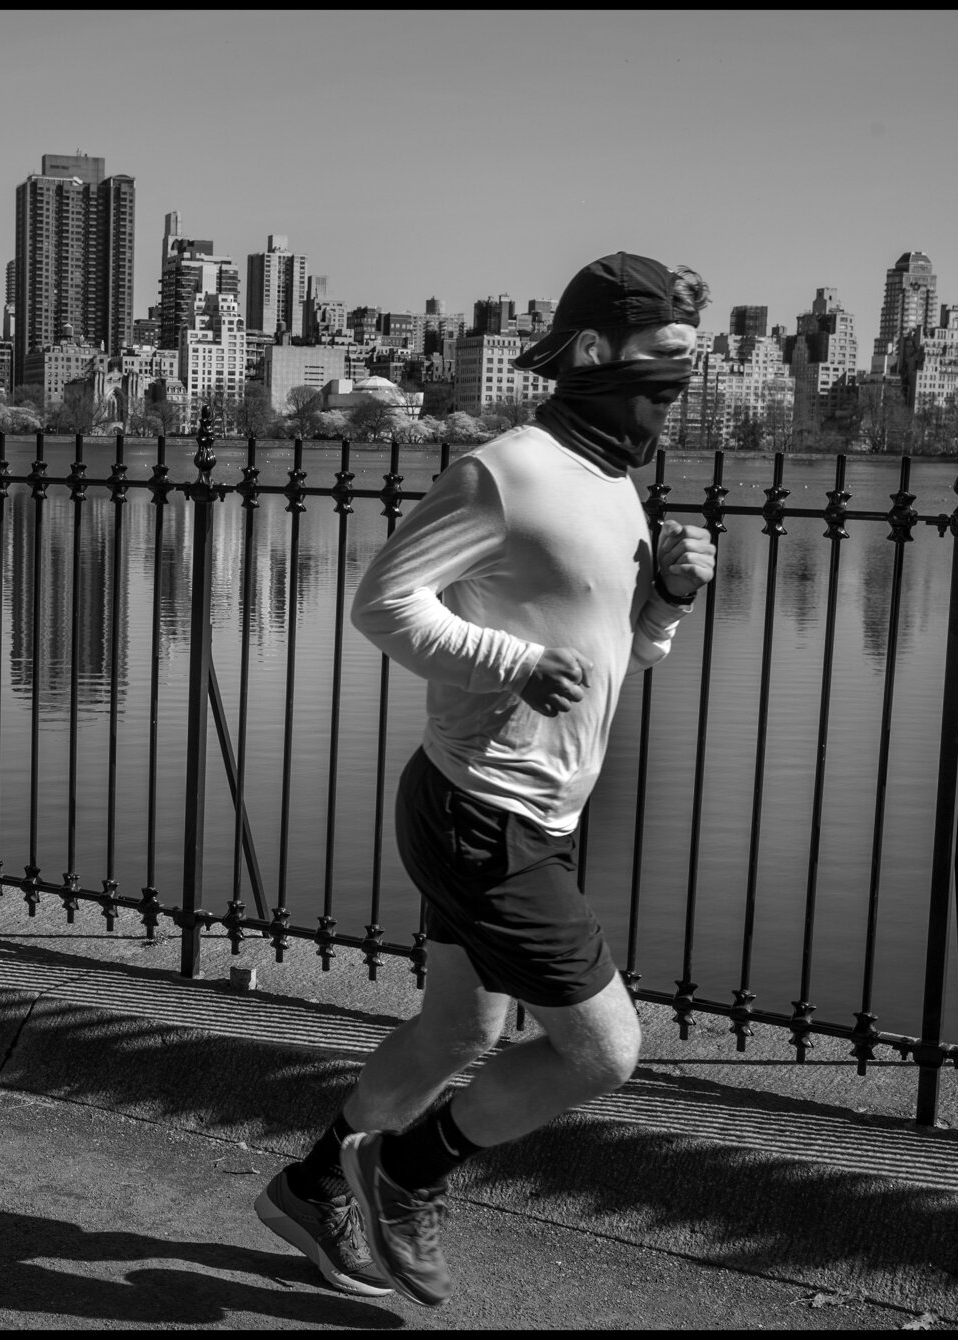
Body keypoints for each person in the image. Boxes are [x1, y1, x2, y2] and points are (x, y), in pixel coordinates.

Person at [253, 252, 717, 1306]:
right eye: (665, 357)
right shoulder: (506, 470)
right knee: (602, 1048)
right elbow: (382, 603)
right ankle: (406, 1173)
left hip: (520, 808)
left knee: (462, 1029)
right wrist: (513, 662)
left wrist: (669, 597)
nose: (680, 378)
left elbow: (621, 650)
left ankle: (315, 1178)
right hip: (479, 809)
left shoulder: (613, 478)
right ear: (596, 351)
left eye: (691, 358)